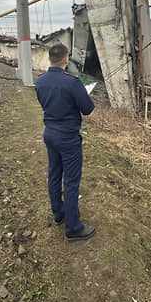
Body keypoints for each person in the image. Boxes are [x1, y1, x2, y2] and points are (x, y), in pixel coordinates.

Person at [35, 43, 96, 242]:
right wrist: (83, 95)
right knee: (70, 181)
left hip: (50, 134)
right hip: (68, 138)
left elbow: (45, 103)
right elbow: (87, 109)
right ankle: (73, 228)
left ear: (50, 59)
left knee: (54, 174)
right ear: (66, 59)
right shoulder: (72, 82)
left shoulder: (40, 81)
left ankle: (58, 214)